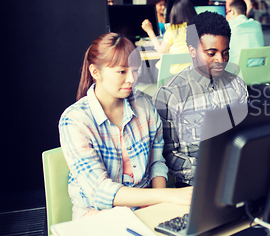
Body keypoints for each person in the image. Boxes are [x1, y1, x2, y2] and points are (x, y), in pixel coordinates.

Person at [59, 33, 192, 220]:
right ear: (95, 72)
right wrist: (167, 196)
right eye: (122, 71)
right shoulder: (75, 120)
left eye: (135, 70)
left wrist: (160, 208)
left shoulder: (145, 106)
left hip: (145, 208)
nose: (131, 79)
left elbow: (157, 163)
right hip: (97, 215)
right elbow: (100, 191)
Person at [153, 11, 248, 187]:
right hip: (196, 183)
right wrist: (211, 170)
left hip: (236, 175)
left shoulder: (237, 85)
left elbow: (245, 134)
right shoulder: (170, 94)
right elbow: (167, 154)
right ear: (192, 51)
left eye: (225, 52)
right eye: (211, 53)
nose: (221, 60)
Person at [142, 0, 197, 73]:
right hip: (192, 72)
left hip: (171, 73)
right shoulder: (198, 28)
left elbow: (161, 50)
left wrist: (149, 31)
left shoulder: (174, 29)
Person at [226, 0, 265, 67]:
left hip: (237, 71)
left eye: (228, 12)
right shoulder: (257, 25)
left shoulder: (230, 25)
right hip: (258, 69)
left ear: (233, 12)